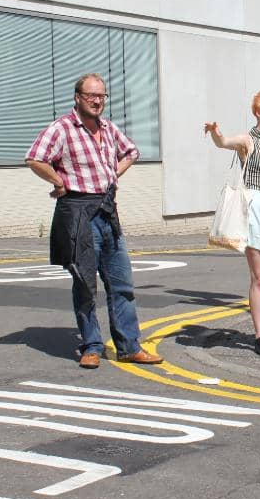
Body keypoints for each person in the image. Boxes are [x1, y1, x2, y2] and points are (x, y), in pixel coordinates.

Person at [25, 73, 163, 369]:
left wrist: (112, 174)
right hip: (78, 213)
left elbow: (132, 151)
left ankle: (128, 346)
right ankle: (91, 346)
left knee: (122, 282)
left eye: (102, 96)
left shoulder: (108, 128)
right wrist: (59, 181)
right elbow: (35, 158)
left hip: (107, 211)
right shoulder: (62, 128)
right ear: (77, 97)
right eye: (91, 96)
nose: (98, 101)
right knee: (85, 284)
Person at [205, 90, 260, 357]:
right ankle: (259, 334)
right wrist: (215, 132)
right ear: (259, 112)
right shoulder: (247, 140)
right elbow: (224, 143)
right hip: (254, 208)